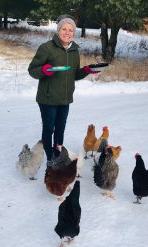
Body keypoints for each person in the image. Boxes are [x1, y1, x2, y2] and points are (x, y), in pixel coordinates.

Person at [28, 15, 99, 167]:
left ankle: (58, 155)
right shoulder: (47, 48)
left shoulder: (74, 51)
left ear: (74, 33)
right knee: (49, 129)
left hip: (65, 98)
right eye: (64, 29)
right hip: (47, 98)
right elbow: (32, 70)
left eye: (71, 30)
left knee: (60, 129)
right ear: (58, 30)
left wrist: (86, 70)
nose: (67, 32)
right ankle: (49, 158)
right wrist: (44, 70)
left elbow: (74, 75)